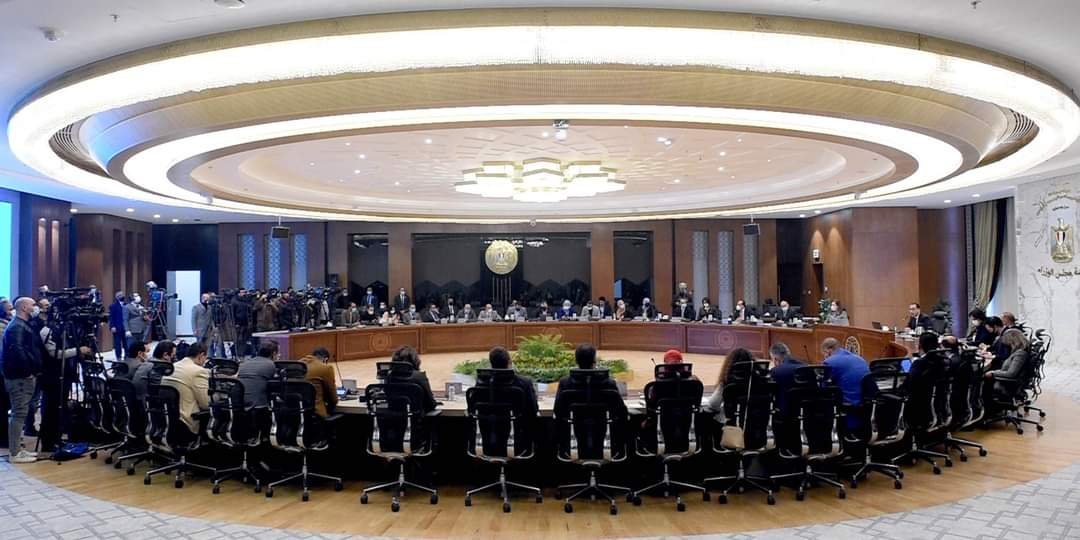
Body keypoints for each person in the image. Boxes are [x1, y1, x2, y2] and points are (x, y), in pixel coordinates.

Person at [1, 298, 44, 462]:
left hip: (21, 376)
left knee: (21, 413)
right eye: (33, 305)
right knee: (18, 414)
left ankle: (18, 448)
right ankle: (15, 452)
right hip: (19, 377)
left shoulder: (21, 325)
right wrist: (27, 372)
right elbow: (18, 352)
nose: (35, 308)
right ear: (25, 307)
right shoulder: (16, 327)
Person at [554, 343, 625, 417]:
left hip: (576, 424)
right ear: (594, 360)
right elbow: (621, 412)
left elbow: (558, 411)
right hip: (602, 424)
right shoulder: (609, 383)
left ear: (577, 361)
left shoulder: (565, 383)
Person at [161, 343, 211, 435]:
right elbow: (205, 404)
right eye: (205, 357)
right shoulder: (198, 371)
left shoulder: (173, 366)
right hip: (186, 423)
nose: (205, 361)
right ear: (201, 355)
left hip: (166, 419)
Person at [768, 342, 805, 449]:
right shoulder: (805, 367)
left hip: (785, 417)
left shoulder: (775, 372)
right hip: (805, 414)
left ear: (776, 359)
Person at [486, 346, 538, 418]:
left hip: (489, 424)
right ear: (509, 362)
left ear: (491, 364)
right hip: (519, 424)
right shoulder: (525, 383)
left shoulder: (482, 383)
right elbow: (533, 410)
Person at [706, 347, 754, 422]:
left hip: (733, 425)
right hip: (758, 423)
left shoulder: (728, 383)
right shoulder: (760, 381)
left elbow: (713, 404)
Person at [821, 337, 869, 407]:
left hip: (849, 403)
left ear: (829, 351)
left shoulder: (829, 361)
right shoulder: (860, 358)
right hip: (867, 402)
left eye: (824, 353)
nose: (824, 356)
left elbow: (824, 386)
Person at [984, 330, 1030, 400]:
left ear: (1013, 341)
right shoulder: (1018, 352)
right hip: (1007, 381)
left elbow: (1011, 373)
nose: (1008, 346)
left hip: (1008, 384)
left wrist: (993, 373)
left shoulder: (1020, 354)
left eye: (1009, 344)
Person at [390, 346, 437, 413]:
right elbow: (431, 404)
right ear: (415, 361)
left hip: (393, 418)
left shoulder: (389, 377)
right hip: (416, 418)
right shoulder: (419, 376)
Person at [238, 340, 279, 408]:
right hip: (259, 406)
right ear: (274, 353)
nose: (279, 355)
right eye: (278, 353)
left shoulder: (245, 363)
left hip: (240, 404)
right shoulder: (270, 364)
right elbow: (277, 385)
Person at [300, 347, 338, 418]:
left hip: (296, 412)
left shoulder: (297, 365)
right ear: (325, 359)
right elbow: (334, 400)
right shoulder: (326, 368)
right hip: (316, 414)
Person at [108, 292, 127, 361]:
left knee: (126, 343)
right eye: (120, 295)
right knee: (117, 344)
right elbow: (111, 317)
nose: (122, 296)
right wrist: (112, 326)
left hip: (126, 328)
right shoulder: (113, 306)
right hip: (117, 327)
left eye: (122, 295)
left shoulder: (126, 305)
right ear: (117, 297)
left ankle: (127, 356)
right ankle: (118, 357)